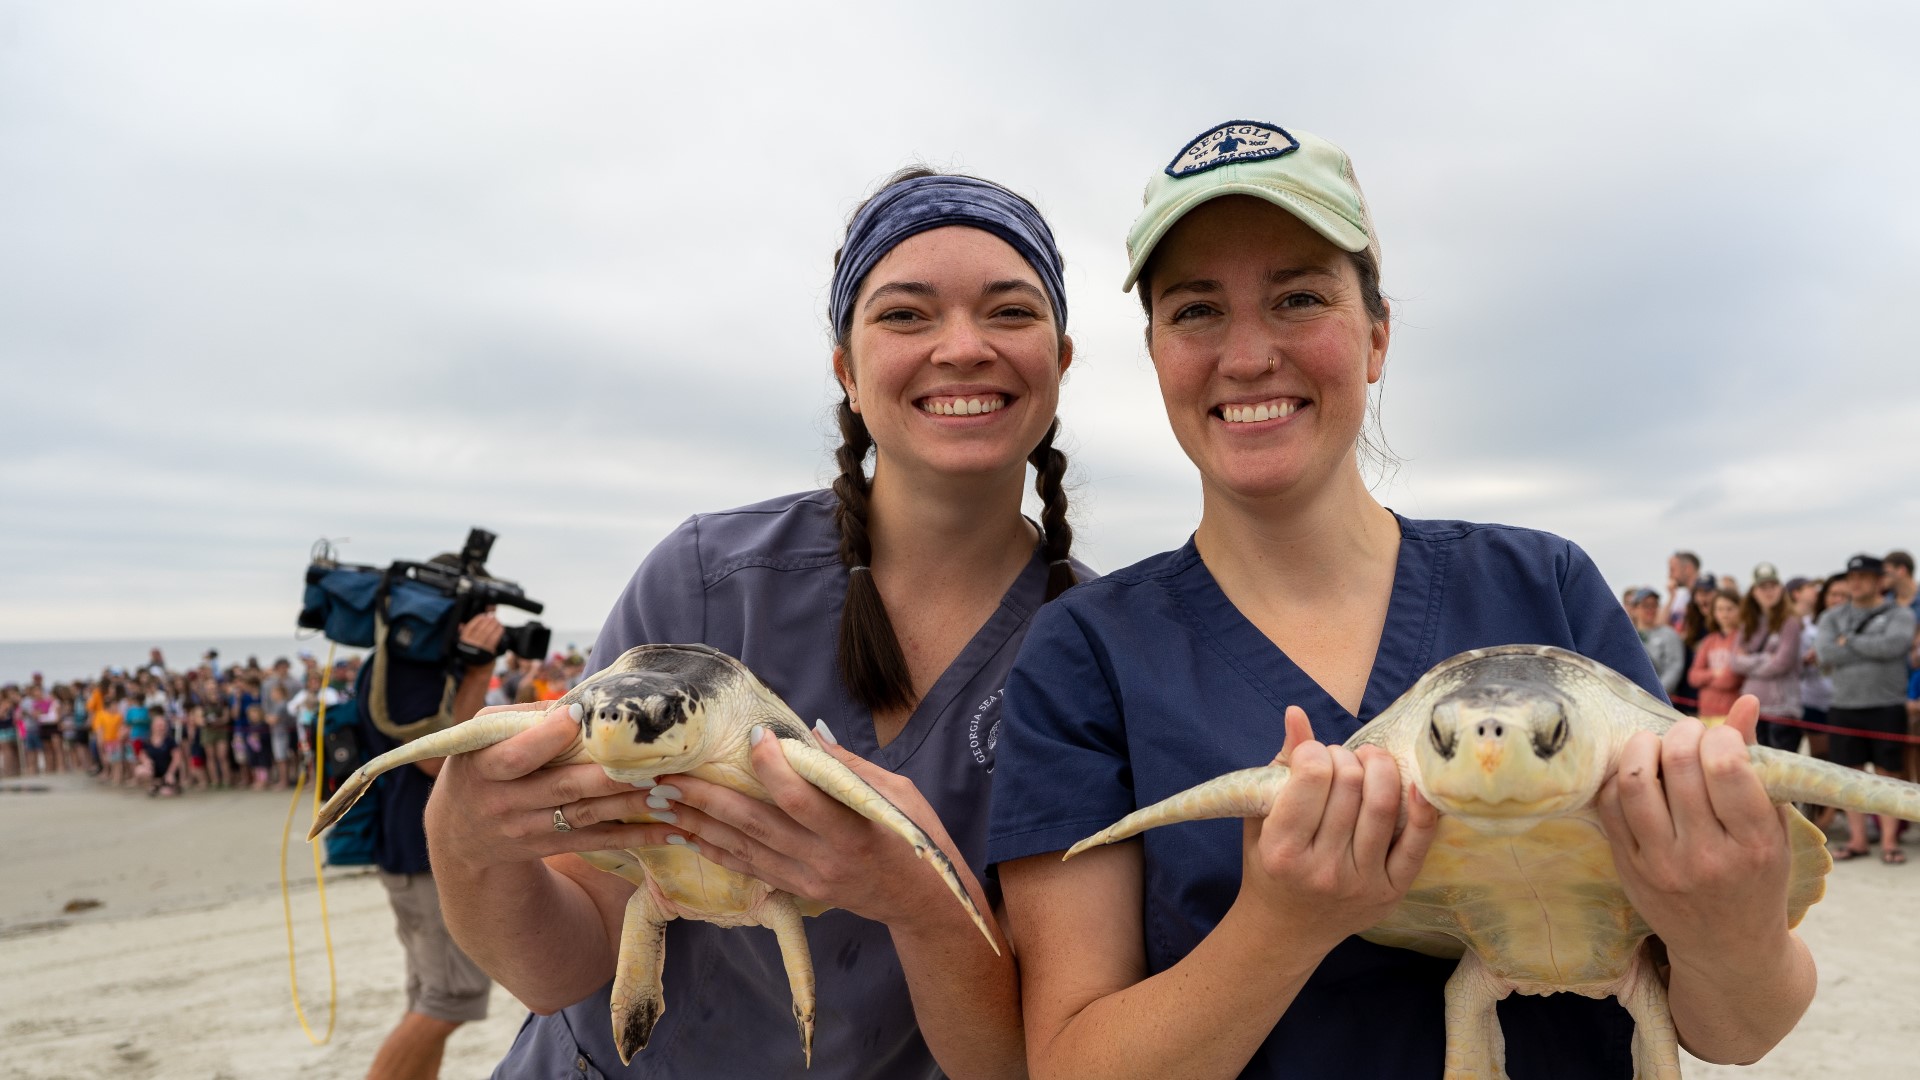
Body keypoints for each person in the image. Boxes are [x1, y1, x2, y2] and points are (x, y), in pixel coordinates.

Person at [987, 119, 1814, 1079]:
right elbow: (1068, 1063)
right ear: (1157, 353)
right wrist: (1279, 926)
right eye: (1197, 310)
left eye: (1300, 297)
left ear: (1376, 337)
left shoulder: (1542, 589)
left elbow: (1739, 1027)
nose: (1248, 355)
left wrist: (1728, 923)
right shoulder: (1086, 653)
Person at [423, 169, 1082, 1080]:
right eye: (905, 315)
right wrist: (462, 841)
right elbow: (562, 963)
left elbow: (1037, 1054)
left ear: (1062, 358)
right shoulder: (708, 585)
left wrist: (918, 896)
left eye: (1009, 312)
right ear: (847, 370)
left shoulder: (1092, 646)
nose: (962, 347)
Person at [357, 610, 506, 1080]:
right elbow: (442, 760)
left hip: (406, 850)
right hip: (425, 856)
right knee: (450, 1000)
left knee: (431, 996)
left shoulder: (386, 664)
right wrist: (479, 672)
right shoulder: (415, 669)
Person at [1815, 553, 1919, 864]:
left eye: (1863, 577)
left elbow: (1895, 647)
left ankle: (1889, 841)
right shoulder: (1832, 617)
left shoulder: (1899, 614)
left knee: (1889, 774)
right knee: (1850, 776)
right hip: (1844, 705)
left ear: (1879, 581)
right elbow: (1826, 652)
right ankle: (1858, 840)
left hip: (1885, 704)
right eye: (1852, 577)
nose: (1856, 583)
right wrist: (1861, 646)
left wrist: (1850, 643)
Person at [1733, 563, 1803, 751]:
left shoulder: (1790, 621)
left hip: (1783, 709)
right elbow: (1734, 662)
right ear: (1754, 591)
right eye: (1763, 587)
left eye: (1772, 586)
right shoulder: (1748, 623)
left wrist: (1750, 660)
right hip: (1754, 709)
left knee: (1781, 774)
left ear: (1780, 589)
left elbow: (1782, 662)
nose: (1768, 591)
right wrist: (1765, 657)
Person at [1688, 588, 1747, 721]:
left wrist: (1706, 678)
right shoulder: (1709, 640)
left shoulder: (1742, 639)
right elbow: (1693, 676)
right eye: (1720, 609)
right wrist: (1714, 673)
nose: (1724, 614)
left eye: (1730, 609)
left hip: (1730, 712)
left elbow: (1730, 680)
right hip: (1706, 711)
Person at [1628, 586, 1684, 694]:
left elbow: (1674, 668)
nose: (1650, 610)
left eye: (1654, 605)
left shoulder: (1669, 634)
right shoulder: (1628, 636)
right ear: (1634, 609)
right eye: (1645, 605)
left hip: (1660, 700)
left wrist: (1657, 693)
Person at [1667, 550, 1701, 631]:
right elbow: (1661, 626)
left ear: (1687, 569)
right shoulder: (1679, 596)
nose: (1669, 575)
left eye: (1672, 569)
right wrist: (1671, 596)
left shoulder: (1707, 597)